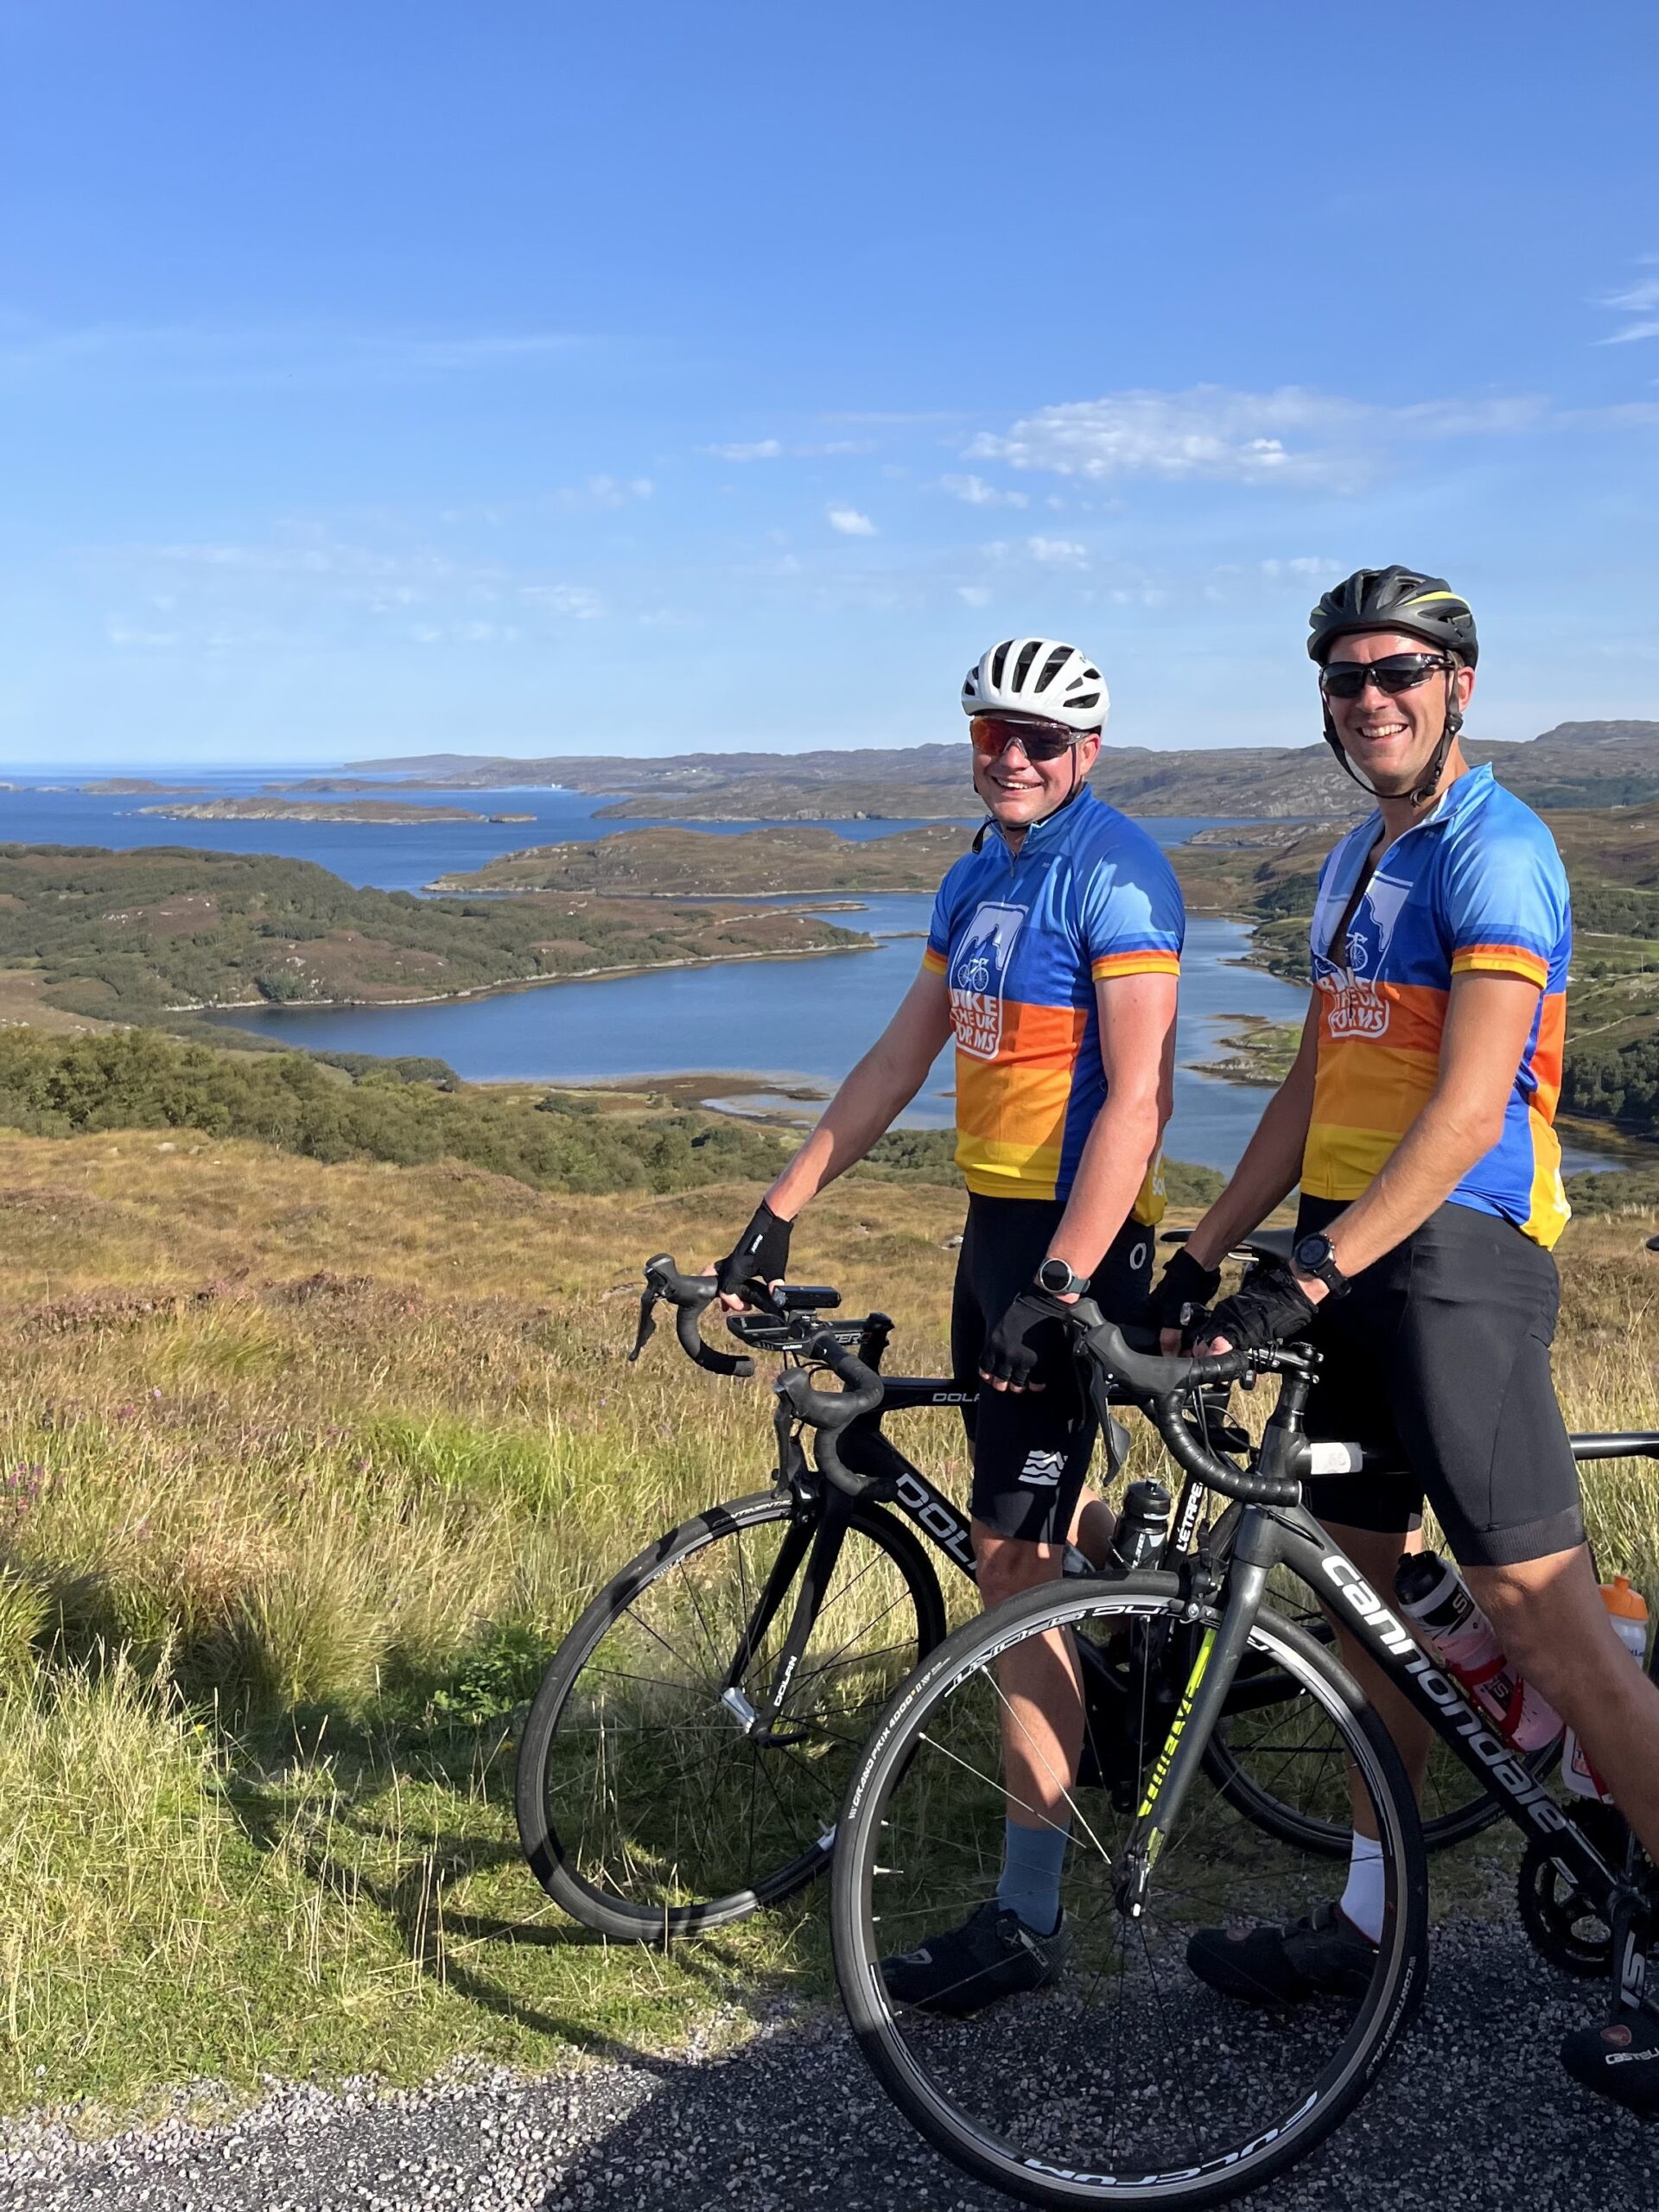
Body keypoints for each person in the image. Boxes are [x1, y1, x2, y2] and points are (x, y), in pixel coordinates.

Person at [1146, 565, 1659, 2113]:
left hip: (1459, 1255)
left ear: (1459, 687)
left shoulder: (1497, 849)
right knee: (1366, 1592)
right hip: (1350, 1253)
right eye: (1346, 679)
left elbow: (1472, 1102)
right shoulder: (1359, 861)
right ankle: (1373, 1923)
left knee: (1536, 1605)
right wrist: (1214, 1243)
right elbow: (1315, 1079)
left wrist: (1317, 1270)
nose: (1371, 698)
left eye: (1400, 672)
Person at [713, 636, 1183, 2010]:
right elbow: (904, 1051)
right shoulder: (974, 871)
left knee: (1007, 1562)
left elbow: (1142, 1100)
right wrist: (779, 1205)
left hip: (1071, 1243)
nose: (1016, 757)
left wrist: (1066, 1281)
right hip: (993, 1229)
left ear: (1086, 754)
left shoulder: (1118, 872)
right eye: (995, 734)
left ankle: (1027, 1913)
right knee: (1019, 1518)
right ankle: (1128, 1549)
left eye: (1044, 740)